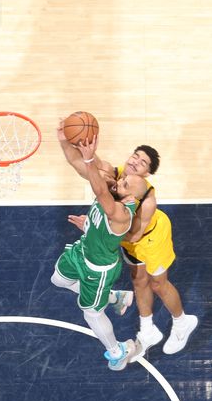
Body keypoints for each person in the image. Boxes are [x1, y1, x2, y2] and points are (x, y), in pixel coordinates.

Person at [62, 133, 198, 359]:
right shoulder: (115, 174)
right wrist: (66, 139)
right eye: (135, 156)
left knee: (158, 285)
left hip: (152, 239)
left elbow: (134, 236)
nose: (135, 162)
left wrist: (96, 229)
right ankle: (147, 331)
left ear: (147, 173)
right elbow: (81, 164)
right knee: (138, 280)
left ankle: (182, 322)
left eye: (142, 162)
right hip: (125, 236)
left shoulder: (147, 201)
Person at [51, 135, 148, 370]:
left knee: (91, 313)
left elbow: (101, 192)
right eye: (122, 179)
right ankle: (116, 297)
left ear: (131, 197)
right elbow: (78, 165)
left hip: (99, 270)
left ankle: (117, 352)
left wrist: (90, 158)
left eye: (124, 184)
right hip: (82, 251)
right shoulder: (116, 191)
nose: (118, 182)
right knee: (58, 280)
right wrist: (65, 140)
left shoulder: (123, 213)